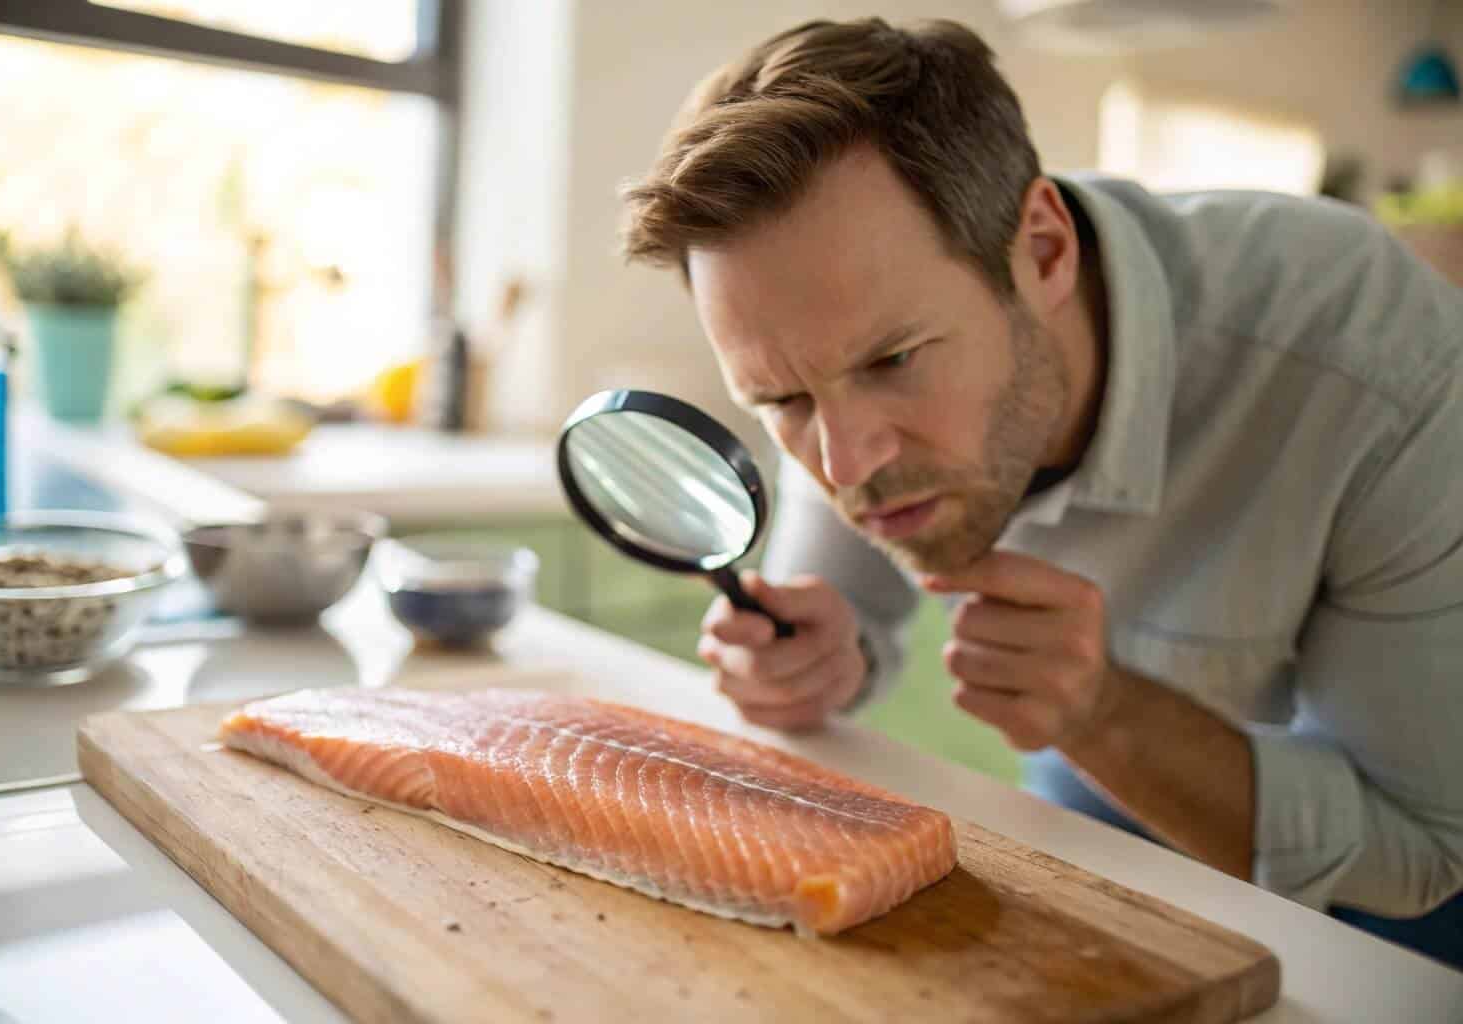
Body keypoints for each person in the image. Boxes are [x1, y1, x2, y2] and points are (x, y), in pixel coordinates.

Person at [617, 16, 1463, 967]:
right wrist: (817, 658)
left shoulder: (1376, 362)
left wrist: (1103, 711)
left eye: (894, 360)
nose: (844, 464)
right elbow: (843, 620)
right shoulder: (840, 348)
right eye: (780, 398)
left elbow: (1427, 850)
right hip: (1093, 861)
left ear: (1047, 251)